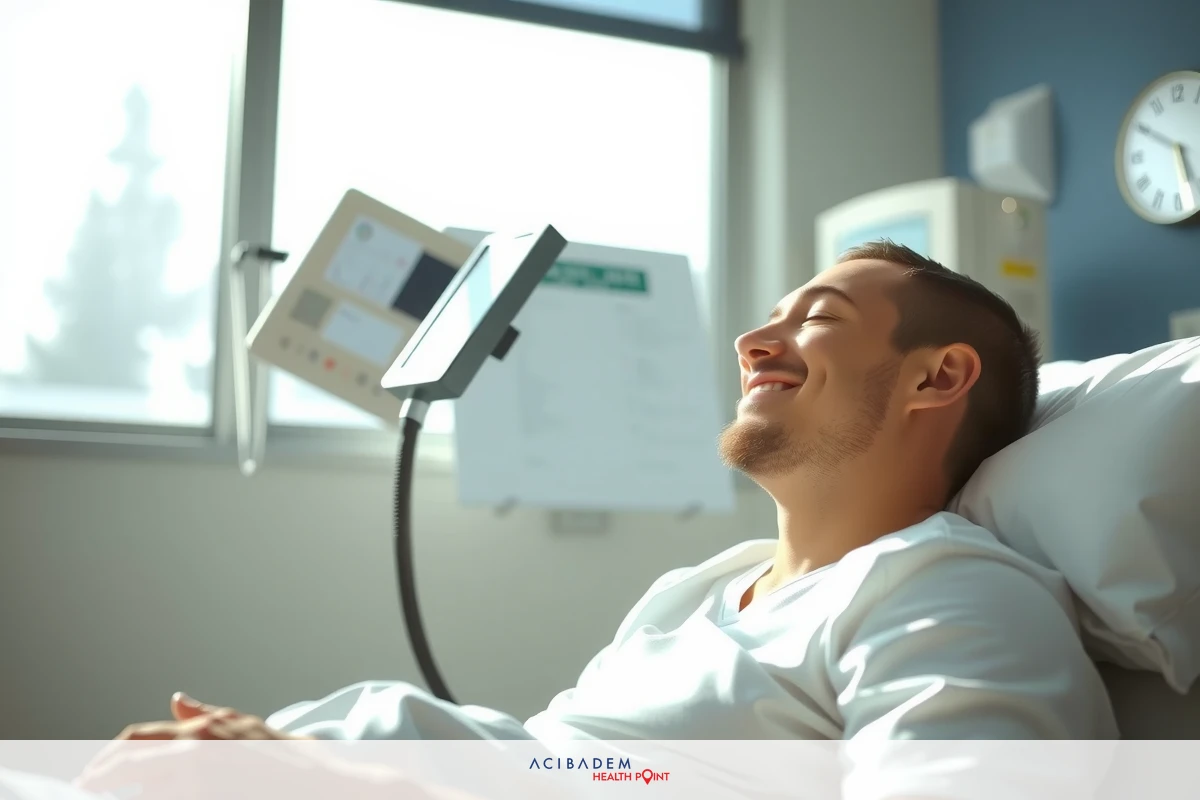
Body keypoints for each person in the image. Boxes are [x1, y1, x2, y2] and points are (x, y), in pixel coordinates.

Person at [72, 241, 1118, 796]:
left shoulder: (953, 594)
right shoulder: (701, 588)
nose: (755, 338)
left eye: (818, 317)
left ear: (938, 376)